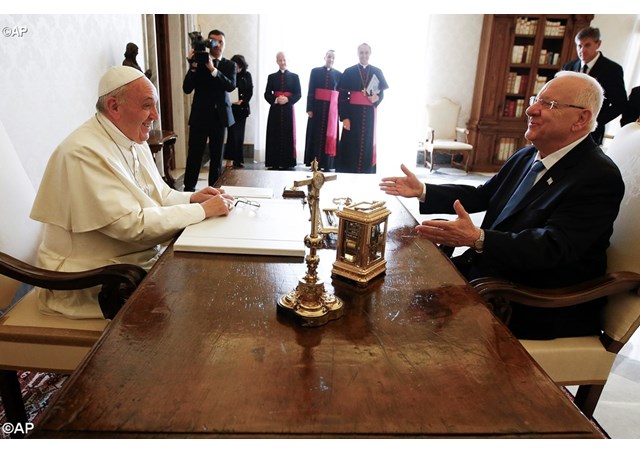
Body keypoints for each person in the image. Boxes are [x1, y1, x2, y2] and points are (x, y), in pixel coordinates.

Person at [380, 71, 624, 340]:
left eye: (549, 104)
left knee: (409, 326)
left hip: (532, 301)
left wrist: (478, 238)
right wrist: (423, 190)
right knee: (391, 285)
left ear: (581, 119)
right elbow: (484, 195)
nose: (531, 109)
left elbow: (553, 248)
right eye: (535, 100)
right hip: (492, 277)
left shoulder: (598, 176)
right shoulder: (529, 154)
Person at [30, 66, 235, 319]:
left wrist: (192, 198)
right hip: (92, 278)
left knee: (210, 275)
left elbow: (160, 194)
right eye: (147, 106)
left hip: (132, 260)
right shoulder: (82, 153)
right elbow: (131, 226)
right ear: (114, 107)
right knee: (200, 297)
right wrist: (201, 210)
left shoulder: (131, 137)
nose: (156, 116)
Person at [182, 29, 237, 191]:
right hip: (200, 115)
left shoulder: (229, 65)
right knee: (194, 153)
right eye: (214, 41)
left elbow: (230, 85)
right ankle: (189, 188)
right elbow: (186, 88)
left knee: (216, 156)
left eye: (221, 42)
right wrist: (192, 66)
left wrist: (213, 69)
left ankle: (214, 189)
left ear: (224, 45)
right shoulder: (197, 63)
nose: (218, 45)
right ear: (208, 43)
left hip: (219, 117)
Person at [561, 26, 627, 145]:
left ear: (598, 44)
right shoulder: (569, 67)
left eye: (587, 45)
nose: (582, 50)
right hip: (566, 128)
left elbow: (620, 104)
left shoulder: (612, 69)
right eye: (579, 46)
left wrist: (594, 121)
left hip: (592, 132)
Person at [336, 43, 388, 174]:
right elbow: (342, 97)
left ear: (370, 54)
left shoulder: (377, 71)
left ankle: (366, 172)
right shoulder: (349, 71)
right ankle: (347, 172)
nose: (364, 55)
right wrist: (345, 118)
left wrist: (377, 98)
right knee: (350, 145)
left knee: (367, 144)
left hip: (369, 115)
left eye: (366, 53)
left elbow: (381, 93)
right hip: (353, 114)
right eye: (361, 53)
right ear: (357, 54)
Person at [303, 49, 342, 171]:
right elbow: (310, 90)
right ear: (324, 57)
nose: (330, 59)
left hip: (331, 112)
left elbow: (339, 94)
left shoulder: (339, 74)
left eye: (333, 58)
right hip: (317, 109)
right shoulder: (315, 72)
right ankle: (314, 163)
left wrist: (339, 113)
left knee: (328, 137)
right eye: (329, 57)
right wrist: (309, 108)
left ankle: (327, 164)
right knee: (315, 136)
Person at [264, 51, 301, 170]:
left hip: (288, 110)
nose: (282, 62)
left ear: (287, 60)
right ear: (276, 61)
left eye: (284, 60)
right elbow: (266, 94)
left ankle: (287, 162)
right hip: (275, 110)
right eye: (280, 60)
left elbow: (298, 94)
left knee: (288, 134)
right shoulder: (271, 77)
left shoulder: (295, 77)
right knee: (274, 134)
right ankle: (273, 161)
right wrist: (275, 99)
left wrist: (288, 99)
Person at [223, 54, 253, 168]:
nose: (237, 68)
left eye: (239, 66)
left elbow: (250, 90)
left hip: (242, 108)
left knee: (240, 135)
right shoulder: (229, 74)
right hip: (231, 108)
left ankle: (238, 160)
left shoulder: (247, 75)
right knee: (232, 135)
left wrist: (243, 100)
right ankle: (229, 159)